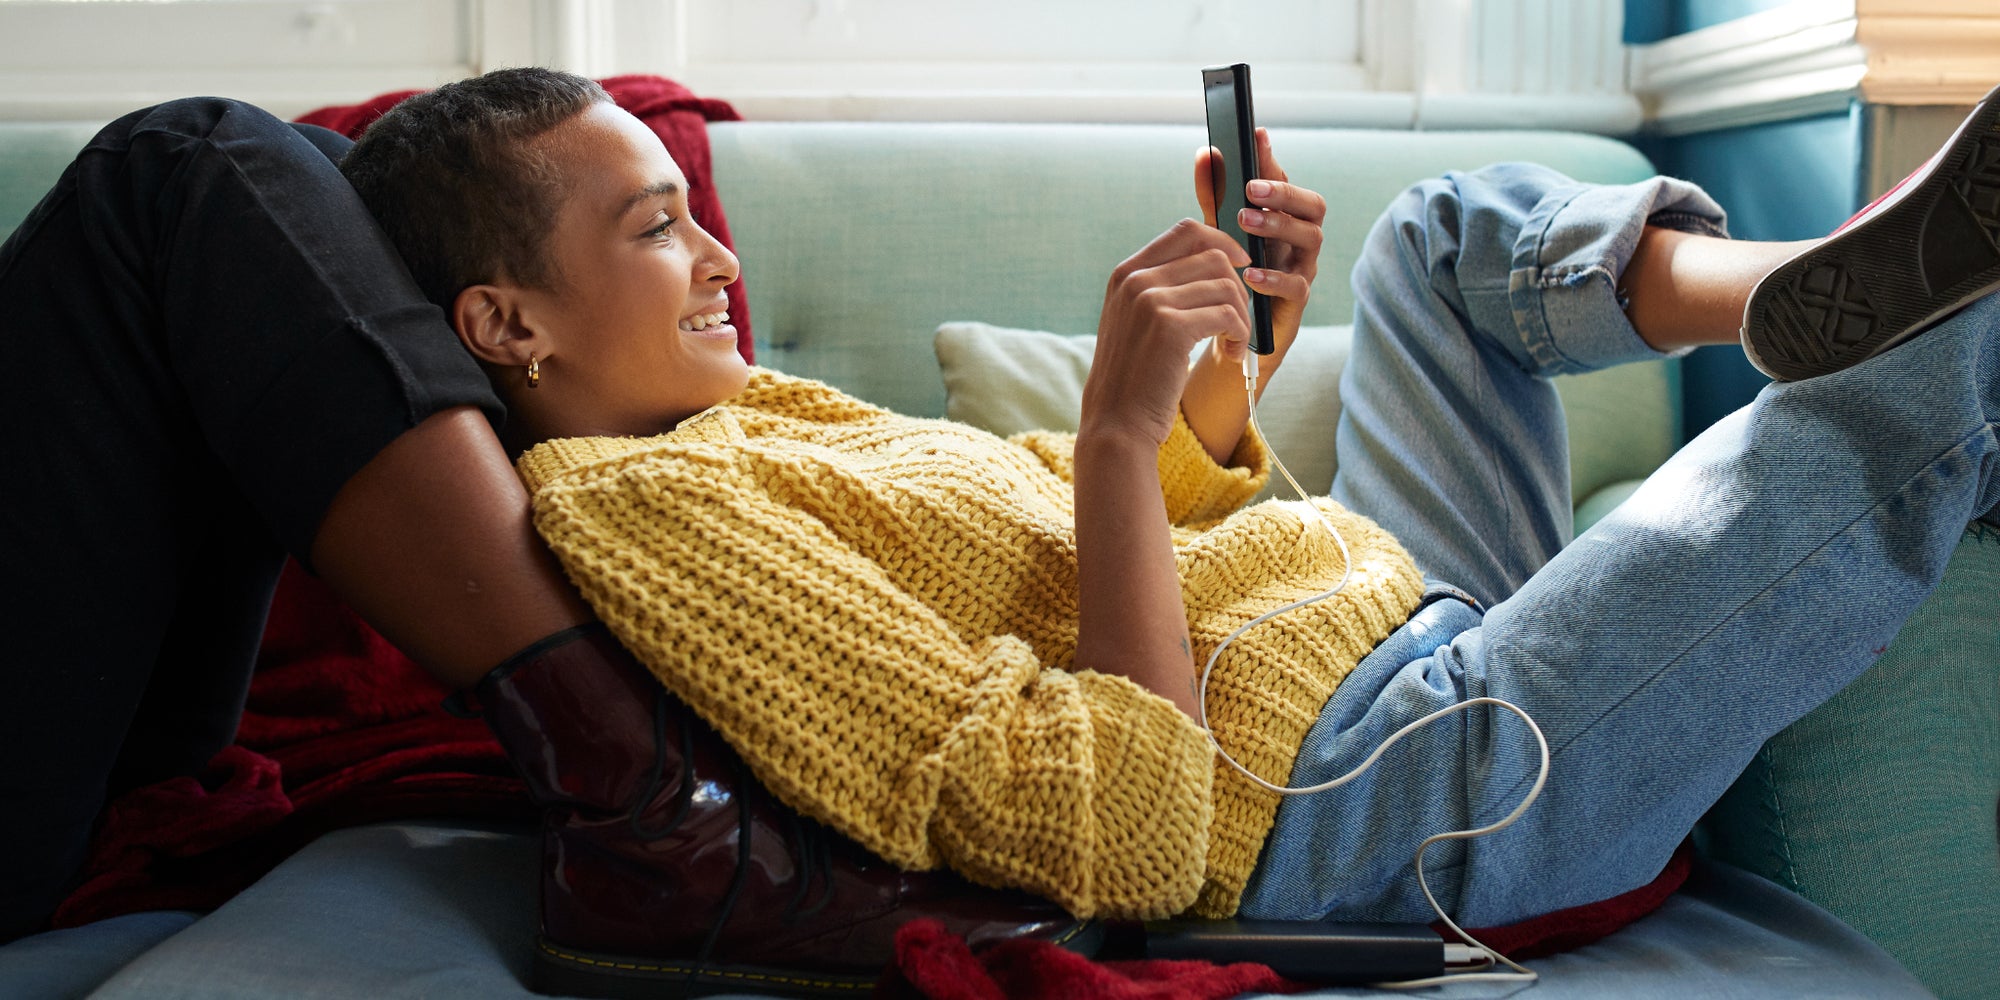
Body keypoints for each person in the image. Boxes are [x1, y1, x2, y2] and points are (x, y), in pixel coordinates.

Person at [4, 64, 1995, 996]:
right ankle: (1896, 321)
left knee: (1445, 241)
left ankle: (1820, 268)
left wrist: (1217, 388)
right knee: (1928, 393)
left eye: (687, 212)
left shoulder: (751, 417)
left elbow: (1202, 556)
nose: (712, 253)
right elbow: (1126, 826)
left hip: (1386, 633)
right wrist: (1117, 446)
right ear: (501, 329)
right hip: (1396, 792)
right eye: (653, 226)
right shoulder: (637, 507)